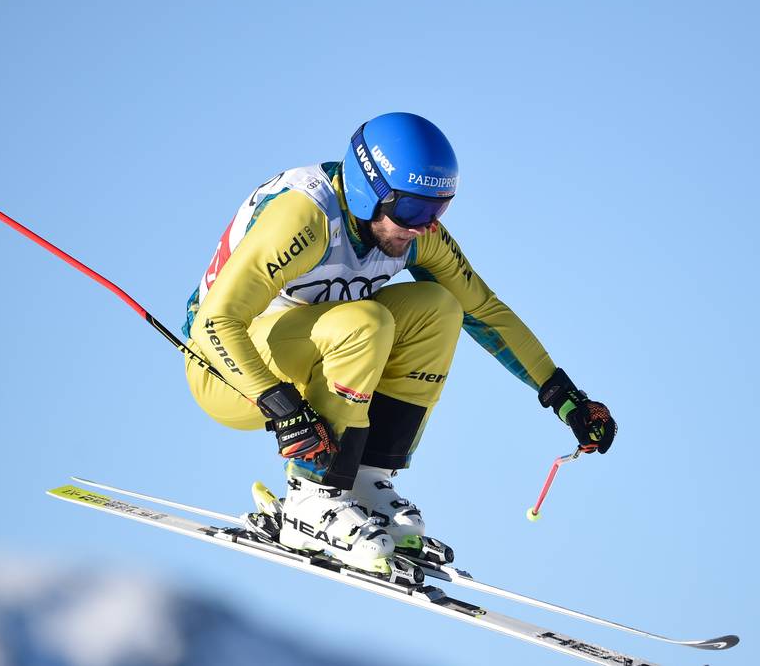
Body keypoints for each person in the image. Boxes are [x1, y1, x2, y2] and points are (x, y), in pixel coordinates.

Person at [181, 112, 616, 574]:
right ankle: (311, 499)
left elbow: (485, 311)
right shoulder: (305, 218)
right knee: (365, 323)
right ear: (370, 190)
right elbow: (215, 322)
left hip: (313, 356)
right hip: (226, 372)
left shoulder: (412, 237)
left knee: (439, 307)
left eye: (438, 210)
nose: (424, 226)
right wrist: (283, 408)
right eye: (412, 210)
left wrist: (566, 398)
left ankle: (364, 480)